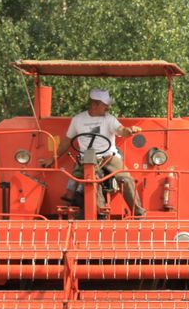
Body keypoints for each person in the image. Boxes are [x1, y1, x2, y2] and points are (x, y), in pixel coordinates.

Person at [42, 88, 146, 217]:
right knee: (92, 178)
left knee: (125, 178)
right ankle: (99, 212)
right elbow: (67, 141)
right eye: (105, 104)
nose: (107, 107)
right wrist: (53, 158)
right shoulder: (78, 120)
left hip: (109, 157)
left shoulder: (109, 119)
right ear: (94, 104)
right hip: (86, 158)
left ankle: (139, 215)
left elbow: (121, 130)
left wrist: (129, 130)